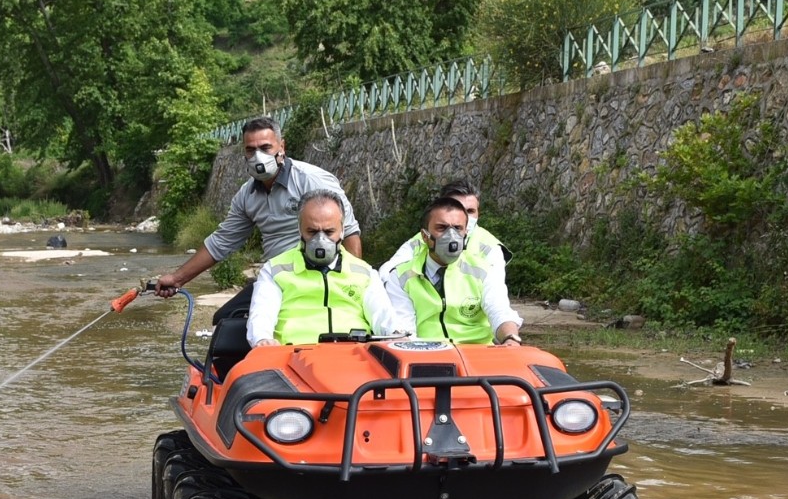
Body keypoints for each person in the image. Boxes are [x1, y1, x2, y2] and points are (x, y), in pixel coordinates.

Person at [152, 117, 362, 298]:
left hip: (319, 276)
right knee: (226, 321)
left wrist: (354, 286)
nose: (258, 156)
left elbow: (349, 231)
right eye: (251, 150)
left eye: (265, 148)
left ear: (282, 147)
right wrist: (178, 278)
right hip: (275, 279)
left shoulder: (312, 181)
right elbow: (222, 241)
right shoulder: (247, 195)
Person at [248, 191, 403, 347]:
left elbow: (383, 317)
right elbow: (262, 315)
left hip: (354, 357)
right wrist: (262, 339)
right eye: (312, 232)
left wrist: (397, 334)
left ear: (342, 230)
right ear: (299, 229)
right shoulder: (275, 270)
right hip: (292, 356)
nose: (320, 240)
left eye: (329, 232)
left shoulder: (364, 273)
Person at [379, 196, 523, 346]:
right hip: (427, 356)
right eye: (442, 228)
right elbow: (405, 332)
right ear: (424, 236)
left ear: (465, 233)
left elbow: (500, 311)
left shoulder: (484, 272)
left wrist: (510, 339)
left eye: (458, 228)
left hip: (479, 356)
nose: (451, 236)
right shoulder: (401, 277)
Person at [437, 180, 510, 265]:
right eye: (458, 209)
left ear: (478, 213)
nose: (465, 217)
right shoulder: (421, 240)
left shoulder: (491, 251)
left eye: (470, 211)